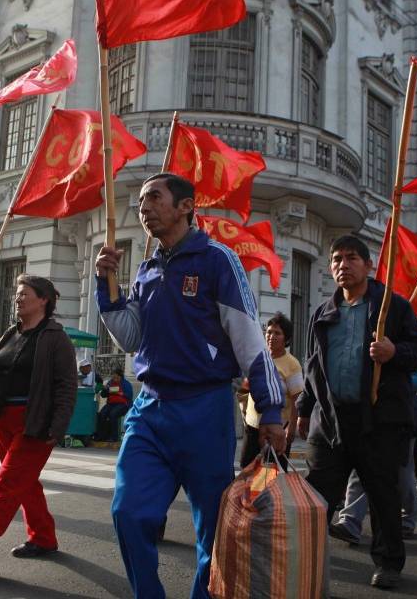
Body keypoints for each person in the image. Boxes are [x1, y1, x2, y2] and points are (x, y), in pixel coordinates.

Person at [95, 173, 286, 599]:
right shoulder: (146, 270)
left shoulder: (218, 260)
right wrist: (106, 290)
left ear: (185, 207)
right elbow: (130, 338)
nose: (144, 206)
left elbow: (249, 339)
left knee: (214, 530)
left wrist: (271, 409)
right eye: (141, 200)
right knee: (128, 512)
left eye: (154, 197)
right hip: (148, 410)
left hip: (205, 410)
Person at [296, 234, 417, 590]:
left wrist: (393, 352)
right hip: (331, 422)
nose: (343, 265)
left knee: (383, 496)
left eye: (352, 258)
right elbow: (314, 366)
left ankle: (388, 562)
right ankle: (306, 555)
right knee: (317, 495)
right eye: (337, 259)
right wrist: (304, 408)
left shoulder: (392, 307)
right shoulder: (323, 313)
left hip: (379, 421)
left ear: (369, 265)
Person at [0, 275, 77, 568]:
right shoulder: (11, 334)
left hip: (35, 422)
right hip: (3, 418)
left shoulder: (55, 337)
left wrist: (57, 426)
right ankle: (44, 537)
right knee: (25, 483)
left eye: (25, 294)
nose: (18, 298)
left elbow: (66, 386)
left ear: (43, 299)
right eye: (17, 294)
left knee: (7, 482)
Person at [330, 366, 417, 544]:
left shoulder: (403, 345)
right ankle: (350, 522)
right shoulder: (365, 346)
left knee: (402, 475)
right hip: (367, 416)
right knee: (359, 471)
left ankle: (407, 517)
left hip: (400, 418)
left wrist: (386, 377)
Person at [237, 312, 304, 468]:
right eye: (269, 332)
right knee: (247, 471)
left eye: (277, 333)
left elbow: (297, 398)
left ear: (286, 338)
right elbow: (244, 389)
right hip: (252, 427)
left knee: (272, 472)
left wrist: (292, 428)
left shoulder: (291, 364)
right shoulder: (259, 359)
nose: (271, 336)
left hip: (277, 429)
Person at [96, 368, 133, 442]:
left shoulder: (126, 384)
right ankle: (101, 436)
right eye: (113, 377)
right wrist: (105, 390)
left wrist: (121, 394)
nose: (115, 379)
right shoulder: (110, 383)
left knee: (113, 414)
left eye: (117, 377)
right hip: (111, 404)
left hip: (123, 404)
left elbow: (129, 395)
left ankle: (114, 437)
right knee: (101, 414)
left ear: (121, 377)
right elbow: (103, 395)